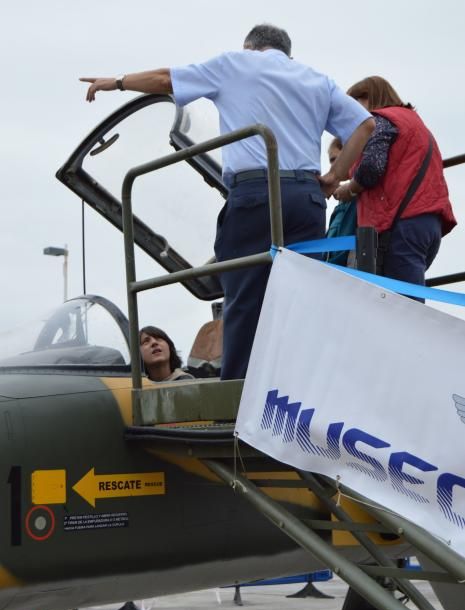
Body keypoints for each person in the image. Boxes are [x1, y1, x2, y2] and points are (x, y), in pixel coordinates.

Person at [81, 24, 375, 379]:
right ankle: (299, 389)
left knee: (242, 300)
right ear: (287, 53)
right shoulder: (316, 78)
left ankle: (235, 398)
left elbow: (164, 79)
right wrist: (334, 176)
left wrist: (116, 81)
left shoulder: (237, 63)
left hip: (255, 196)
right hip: (305, 199)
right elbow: (365, 126)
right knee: (300, 299)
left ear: (250, 47)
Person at [333, 76, 456, 289]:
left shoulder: (380, 120)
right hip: (427, 223)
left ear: (367, 99)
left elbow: (372, 166)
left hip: (401, 225)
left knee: (402, 304)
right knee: (404, 296)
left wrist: (350, 189)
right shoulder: (414, 123)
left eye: (354, 107)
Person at [325, 137, 357, 267]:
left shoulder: (357, 197)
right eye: (331, 160)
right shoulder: (342, 199)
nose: (333, 165)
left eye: (336, 159)